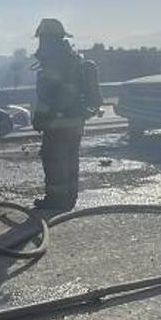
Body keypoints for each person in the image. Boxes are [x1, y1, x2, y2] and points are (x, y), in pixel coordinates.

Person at [31, 19, 103, 210]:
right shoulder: (72, 58)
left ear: (48, 39)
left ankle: (55, 200)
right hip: (75, 121)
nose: (40, 43)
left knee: (54, 159)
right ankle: (69, 199)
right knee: (70, 159)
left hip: (58, 122)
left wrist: (41, 118)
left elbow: (51, 95)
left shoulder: (55, 61)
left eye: (42, 38)